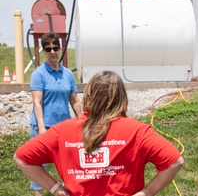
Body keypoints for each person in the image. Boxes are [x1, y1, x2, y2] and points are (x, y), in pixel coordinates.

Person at [14, 70, 184, 196]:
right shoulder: (138, 131)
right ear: (122, 97)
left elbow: (21, 158)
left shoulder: (62, 131)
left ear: (88, 95)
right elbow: (175, 161)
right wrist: (146, 193)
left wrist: (56, 189)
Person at [28, 32, 82, 196]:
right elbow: (37, 102)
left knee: (67, 162)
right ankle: (38, 193)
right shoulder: (39, 74)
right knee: (40, 163)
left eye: (55, 48)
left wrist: (82, 121)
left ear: (60, 48)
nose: (52, 52)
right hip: (44, 126)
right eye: (48, 48)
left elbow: (75, 100)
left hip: (64, 127)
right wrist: (42, 128)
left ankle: (67, 191)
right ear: (43, 51)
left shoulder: (67, 74)